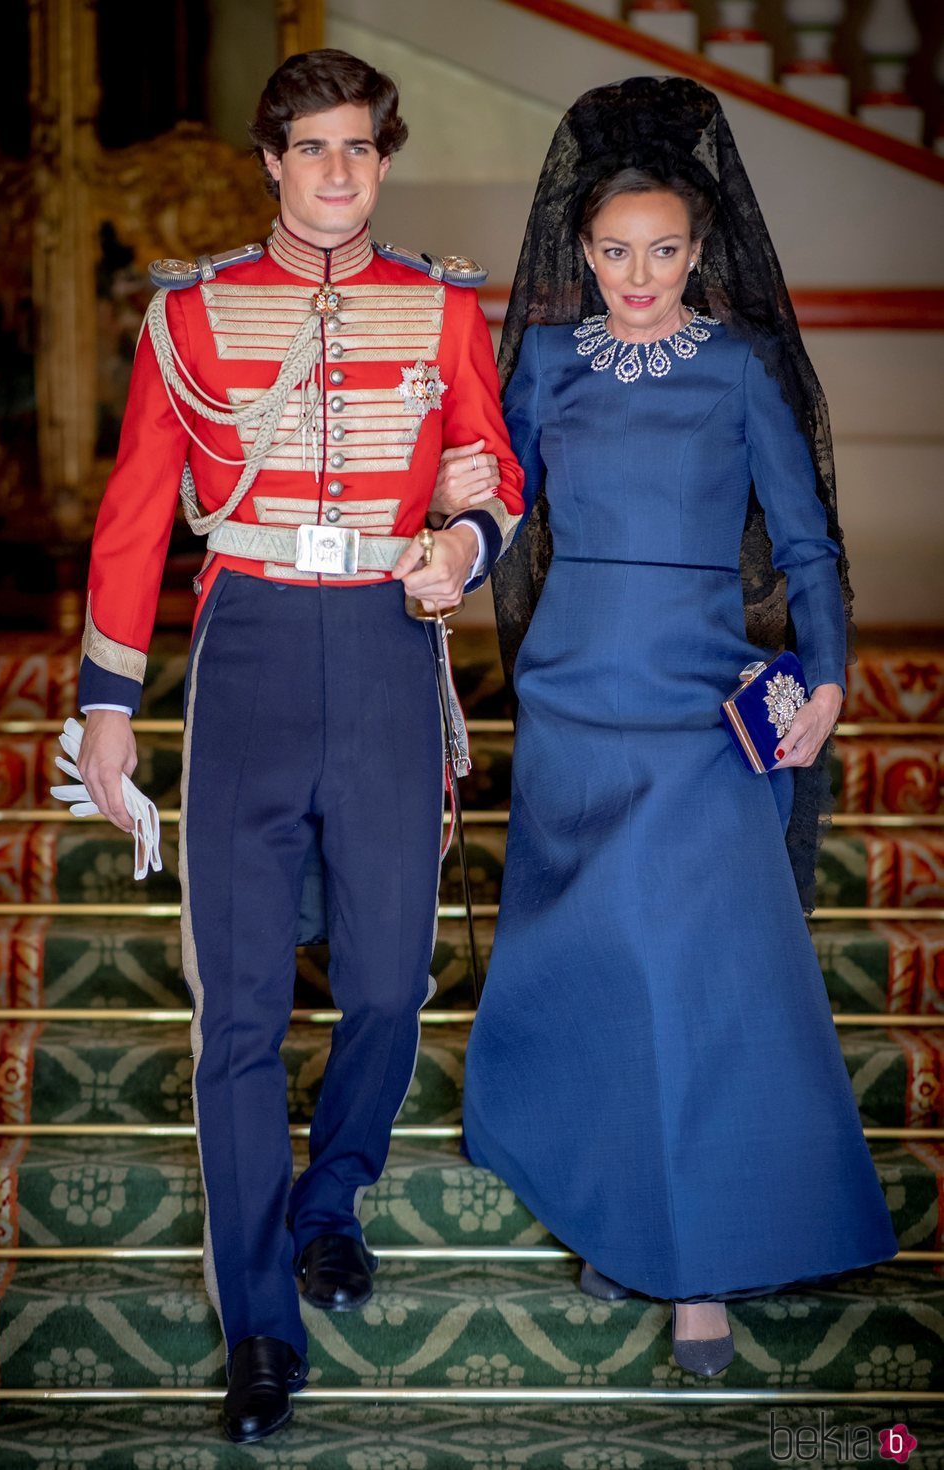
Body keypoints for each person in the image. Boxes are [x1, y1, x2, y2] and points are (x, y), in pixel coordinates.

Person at [73, 48, 523, 1444]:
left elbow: (497, 462)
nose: (338, 174)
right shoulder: (196, 315)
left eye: (360, 151)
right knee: (242, 1012)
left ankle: (332, 1194)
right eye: (312, 149)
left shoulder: (441, 307)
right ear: (271, 159)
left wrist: (465, 535)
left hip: (388, 646)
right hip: (253, 649)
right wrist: (102, 704)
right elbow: (142, 509)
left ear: (382, 161)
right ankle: (260, 1326)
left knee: (390, 981)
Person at [447, 77, 897, 1378]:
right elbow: (499, 516)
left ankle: (695, 1270)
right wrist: (438, 540)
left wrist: (826, 675)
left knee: (691, 970)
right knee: (598, 968)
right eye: (613, 253)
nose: (638, 276)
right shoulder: (541, 363)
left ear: (697, 251)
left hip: (708, 705)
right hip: (576, 699)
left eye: (662, 252)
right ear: (581, 254)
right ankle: (618, 1206)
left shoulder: (743, 371)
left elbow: (806, 543)